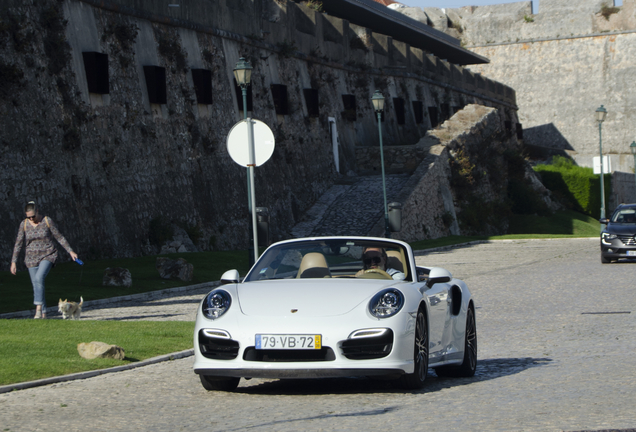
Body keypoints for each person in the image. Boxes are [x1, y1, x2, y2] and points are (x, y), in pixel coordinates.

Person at [10, 201, 79, 319]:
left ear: (37, 211)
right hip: (31, 258)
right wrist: (13, 262)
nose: (31, 218)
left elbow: (59, 236)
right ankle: (44, 314)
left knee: (39, 278)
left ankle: (37, 309)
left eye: (33, 216)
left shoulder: (47, 221)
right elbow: (18, 243)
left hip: (48, 254)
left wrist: (70, 251)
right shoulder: (24, 224)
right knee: (37, 284)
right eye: (28, 217)